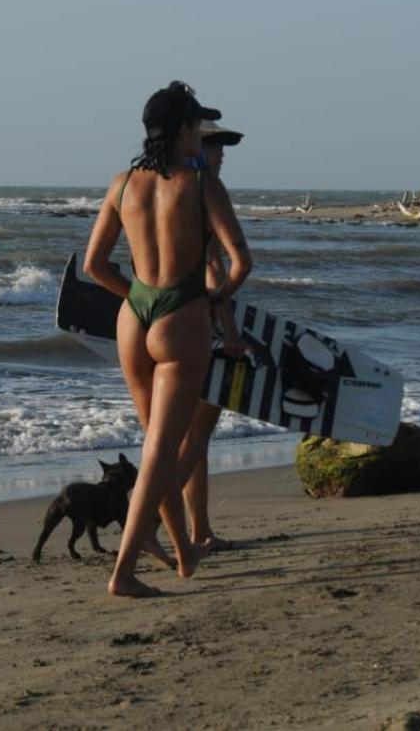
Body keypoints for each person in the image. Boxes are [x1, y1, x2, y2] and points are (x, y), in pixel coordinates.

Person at [82, 82, 252, 598]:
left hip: (133, 318)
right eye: (197, 127)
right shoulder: (202, 186)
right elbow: (242, 263)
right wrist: (215, 298)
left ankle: (182, 555)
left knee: (156, 439)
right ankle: (124, 571)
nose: (201, 136)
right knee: (160, 451)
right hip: (182, 318)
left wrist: (137, 297)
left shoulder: (122, 184)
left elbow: (94, 267)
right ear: (182, 131)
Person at [176, 120, 247, 555]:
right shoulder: (203, 191)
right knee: (197, 434)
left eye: (222, 146)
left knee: (191, 435)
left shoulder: (166, 189)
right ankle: (149, 522)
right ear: (194, 147)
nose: (222, 154)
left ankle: (198, 530)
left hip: (162, 320)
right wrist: (232, 331)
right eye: (214, 145)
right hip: (203, 323)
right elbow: (217, 267)